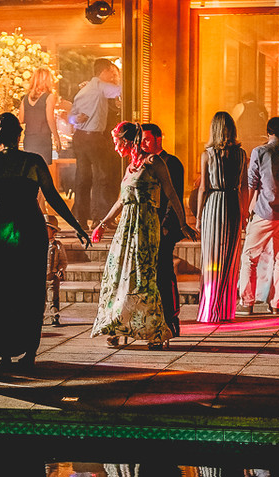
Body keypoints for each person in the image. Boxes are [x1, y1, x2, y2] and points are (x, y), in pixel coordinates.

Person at [0, 113, 90, 368]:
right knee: (30, 289)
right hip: (29, 228)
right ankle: (30, 352)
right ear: (19, 135)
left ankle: (5, 353)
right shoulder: (33, 161)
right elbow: (53, 197)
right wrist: (76, 226)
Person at [91, 121, 198, 349]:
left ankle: (155, 332)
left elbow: (172, 194)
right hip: (126, 229)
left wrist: (182, 223)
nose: (115, 148)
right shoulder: (130, 167)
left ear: (128, 141)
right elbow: (121, 200)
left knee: (144, 278)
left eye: (118, 142)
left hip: (146, 227)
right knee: (120, 277)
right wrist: (103, 223)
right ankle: (118, 325)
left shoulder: (154, 162)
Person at [237, 116, 279, 315]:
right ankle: (277, 304)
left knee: (250, 258)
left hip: (264, 213)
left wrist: (245, 210)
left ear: (268, 132)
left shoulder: (260, 152)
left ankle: (247, 303)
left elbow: (252, 184)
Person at [195, 111, 248, 324]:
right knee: (229, 258)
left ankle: (209, 310)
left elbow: (203, 188)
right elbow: (244, 187)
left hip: (214, 204)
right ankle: (225, 309)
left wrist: (198, 217)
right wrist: (244, 212)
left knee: (211, 258)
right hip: (233, 203)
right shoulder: (241, 154)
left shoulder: (207, 155)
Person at [141, 123, 186, 336]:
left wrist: (167, 225)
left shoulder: (171, 162)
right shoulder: (142, 162)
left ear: (158, 139)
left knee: (164, 272)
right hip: (147, 226)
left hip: (164, 226)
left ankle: (171, 317)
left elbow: (173, 195)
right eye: (141, 140)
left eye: (147, 139)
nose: (143, 143)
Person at [68, 58, 122, 228]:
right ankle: (101, 218)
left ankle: (81, 219)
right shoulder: (100, 86)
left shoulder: (83, 90)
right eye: (111, 72)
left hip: (80, 138)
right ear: (103, 71)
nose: (112, 76)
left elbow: (71, 116)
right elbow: (121, 90)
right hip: (94, 138)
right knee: (102, 177)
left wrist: (75, 119)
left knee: (82, 179)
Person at [19, 68, 62, 168]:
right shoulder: (49, 97)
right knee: (42, 169)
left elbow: (21, 119)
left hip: (29, 138)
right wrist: (57, 138)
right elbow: (50, 119)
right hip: (43, 138)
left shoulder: (25, 98)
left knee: (30, 169)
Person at [44, 213, 68, 327]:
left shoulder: (57, 246)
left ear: (53, 231)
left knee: (53, 298)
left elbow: (63, 261)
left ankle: (55, 316)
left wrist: (60, 270)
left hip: (52, 277)